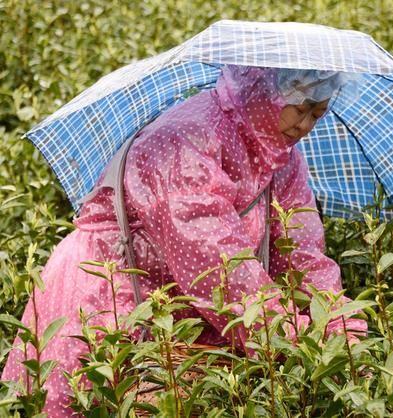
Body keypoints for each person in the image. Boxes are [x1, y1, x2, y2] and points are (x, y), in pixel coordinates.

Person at [1, 65, 367, 416]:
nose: (304, 125)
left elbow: (303, 250)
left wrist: (340, 325)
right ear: (266, 93)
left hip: (178, 315)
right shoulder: (186, 138)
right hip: (105, 298)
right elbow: (217, 265)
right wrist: (295, 339)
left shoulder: (283, 158)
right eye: (300, 109)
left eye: (317, 114)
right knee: (93, 400)